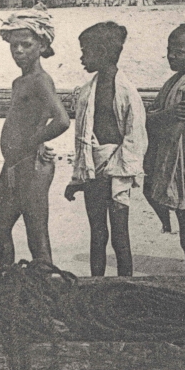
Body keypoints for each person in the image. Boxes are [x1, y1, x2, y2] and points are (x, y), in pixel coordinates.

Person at [64, 22, 147, 276]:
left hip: (117, 169)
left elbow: (135, 136)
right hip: (93, 170)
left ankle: (126, 287)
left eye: (85, 51)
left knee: (120, 236)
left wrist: (122, 170)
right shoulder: (88, 90)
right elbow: (83, 139)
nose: (81, 58)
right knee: (97, 234)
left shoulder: (126, 91)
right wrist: (78, 178)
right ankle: (96, 284)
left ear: (102, 52)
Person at [0, 3, 70, 269]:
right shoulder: (20, 82)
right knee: (0, 228)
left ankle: (46, 290)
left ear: (42, 46)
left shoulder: (40, 80)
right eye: (14, 45)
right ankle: (9, 284)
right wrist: (4, 176)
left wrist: (33, 143)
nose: (18, 51)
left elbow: (62, 120)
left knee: (36, 236)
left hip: (33, 167)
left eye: (26, 44)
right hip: (18, 165)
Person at [143, 24, 185, 275]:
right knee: (149, 191)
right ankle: (166, 222)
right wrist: (164, 115)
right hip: (169, 159)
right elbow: (157, 118)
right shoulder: (174, 82)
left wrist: (157, 117)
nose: (171, 56)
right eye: (169, 50)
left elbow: (171, 131)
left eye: (178, 52)